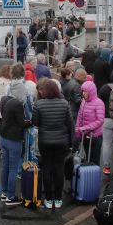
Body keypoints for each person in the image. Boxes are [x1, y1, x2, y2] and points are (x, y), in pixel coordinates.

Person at [33, 78, 73, 209]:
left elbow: (35, 122)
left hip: (45, 141)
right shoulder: (65, 103)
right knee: (59, 169)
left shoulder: (39, 104)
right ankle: (58, 199)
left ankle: (49, 200)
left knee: (47, 169)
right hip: (61, 141)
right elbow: (69, 124)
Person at [0, 74, 31, 205]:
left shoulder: (5, 100)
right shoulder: (17, 104)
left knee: (5, 166)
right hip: (13, 140)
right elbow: (22, 123)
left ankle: (5, 192)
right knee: (13, 168)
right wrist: (30, 122)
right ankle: (11, 197)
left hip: (3, 138)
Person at [75, 80, 104, 165]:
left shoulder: (99, 103)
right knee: (87, 157)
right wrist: (78, 130)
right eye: (83, 91)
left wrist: (85, 128)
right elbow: (79, 116)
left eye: (85, 91)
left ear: (91, 92)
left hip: (95, 137)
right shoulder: (83, 101)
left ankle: (94, 177)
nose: (83, 93)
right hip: (85, 135)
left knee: (94, 159)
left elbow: (100, 120)